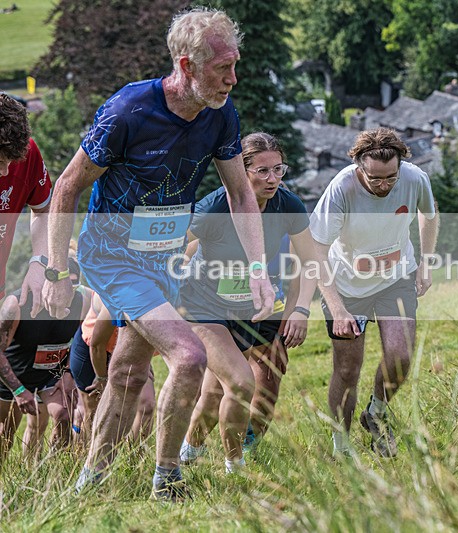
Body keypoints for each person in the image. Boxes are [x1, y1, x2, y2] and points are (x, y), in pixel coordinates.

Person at [41, 7, 273, 501]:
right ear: (187, 66)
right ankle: (167, 478)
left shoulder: (220, 114)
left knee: (126, 372)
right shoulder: (129, 110)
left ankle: (90, 481)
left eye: (236, 65)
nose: (233, 79)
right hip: (113, 256)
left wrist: (258, 268)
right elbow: (66, 186)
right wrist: (56, 269)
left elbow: (239, 193)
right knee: (188, 356)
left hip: (163, 259)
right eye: (221, 68)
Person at [177, 132, 319, 473]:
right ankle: (233, 466)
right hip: (206, 308)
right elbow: (179, 246)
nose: (273, 179)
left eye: (279, 170)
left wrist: (300, 308)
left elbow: (310, 259)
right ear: (241, 172)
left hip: (261, 303)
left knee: (255, 388)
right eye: (263, 171)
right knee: (239, 383)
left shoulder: (288, 204)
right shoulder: (214, 207)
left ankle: (209, 451)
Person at [309, 127, 439, 458]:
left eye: (390, 178)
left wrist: (426, 262)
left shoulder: (414, 178)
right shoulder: (341, 188)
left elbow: (429, 214)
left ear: (400, 166)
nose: (383, 185)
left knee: (401, 356)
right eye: (375, 179)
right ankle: (342, 444)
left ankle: (377, 412)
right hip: (348, 287)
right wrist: (337, 309)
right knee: (348, 369)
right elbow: (316, 251)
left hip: (396, 277)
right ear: (359, 167)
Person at [0, 257, 88, 464]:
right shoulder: (17, 304)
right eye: (63, 283)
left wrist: (67, 373)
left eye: (74, 284)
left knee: (63, 418)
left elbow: (78, 341)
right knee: (5, 431)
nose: (67, 290)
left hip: (50, 374)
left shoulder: (81, 302)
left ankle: (52, 477)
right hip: (14, 374)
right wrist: (19, 391)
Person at [69, 291, 156, 443]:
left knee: (146, 404)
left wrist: (144, 359)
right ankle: (91, 460)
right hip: (93, 351)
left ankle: (136, 462)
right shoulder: (114, 294)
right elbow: (97, 345)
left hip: (128, 351)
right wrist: (101, 377)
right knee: (94, 410)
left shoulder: (162, 293)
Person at [0, 93, 51, 317]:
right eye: (0, 161)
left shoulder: (28, 153)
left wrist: (39, 261)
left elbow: (44, 211)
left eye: (12, 161)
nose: (5, 172)